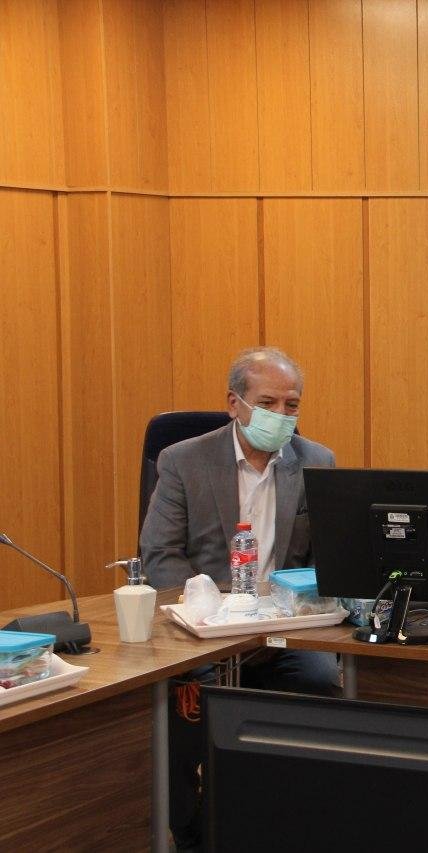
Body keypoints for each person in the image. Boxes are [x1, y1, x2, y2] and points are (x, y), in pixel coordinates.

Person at [140, 345, 338, 849]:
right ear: (235, 403)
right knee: (186, 711)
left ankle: (290, 825)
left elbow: (326, 560)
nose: (281, 415)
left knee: (320, 683)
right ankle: (192, 835)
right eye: (268, 403)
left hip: (282, 627)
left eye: (291, 405)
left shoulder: (316, 461)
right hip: (205, 628)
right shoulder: (183, 460)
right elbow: (160, 554)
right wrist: (208, 613)